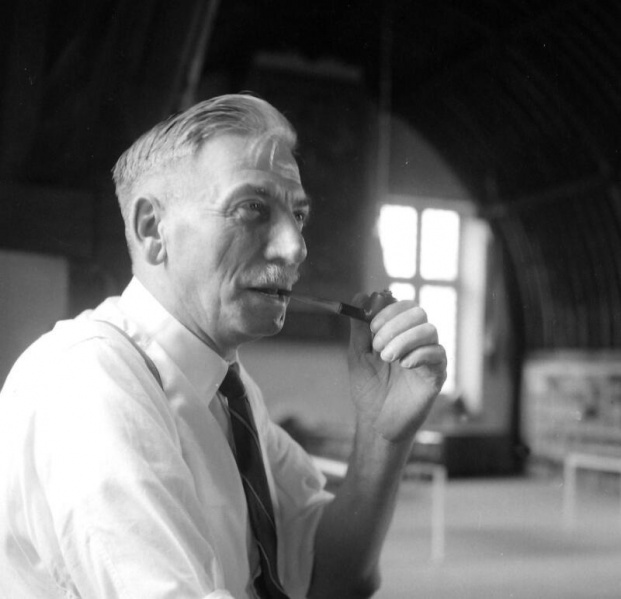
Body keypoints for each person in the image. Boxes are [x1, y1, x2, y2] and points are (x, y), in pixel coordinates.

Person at [0, 94, 447, 598]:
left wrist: (383, 434)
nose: (295, 248)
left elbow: (331, 577)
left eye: (299, 215)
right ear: (152, 229)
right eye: (252, 208)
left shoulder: (229, 390)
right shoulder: (90, 382)